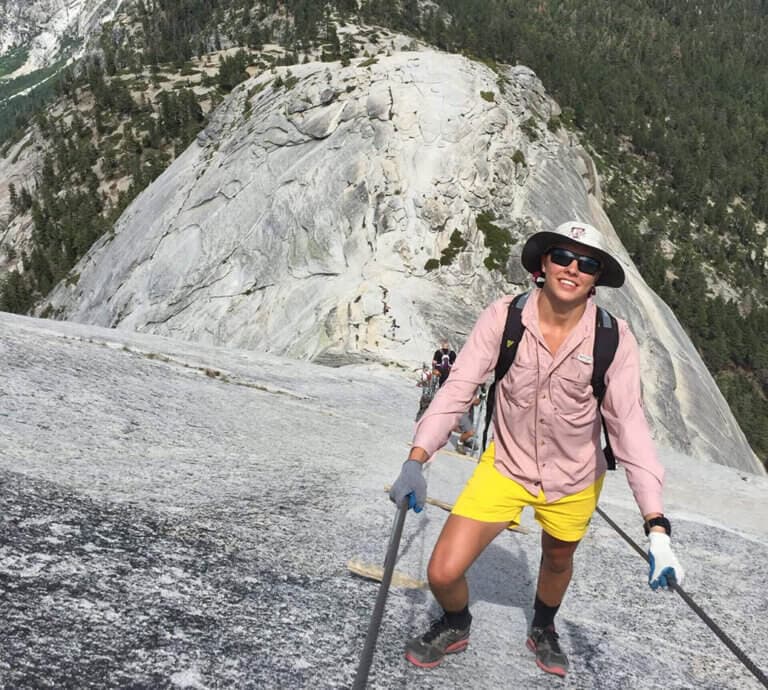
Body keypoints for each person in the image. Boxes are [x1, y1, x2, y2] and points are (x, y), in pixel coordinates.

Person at [389, 220, 684, 677]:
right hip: (506, 466)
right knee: (443, 572)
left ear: (596, 278)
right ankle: (456, 621)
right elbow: (459, 388)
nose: (572, 268)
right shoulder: (504, 317)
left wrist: (657, 528)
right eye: (562, 257)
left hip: (575, 476)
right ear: (542, 265)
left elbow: (630, 427)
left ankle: (544, 626)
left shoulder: (613, 338)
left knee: (558, 558)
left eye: (587, 263)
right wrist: (417, 458)